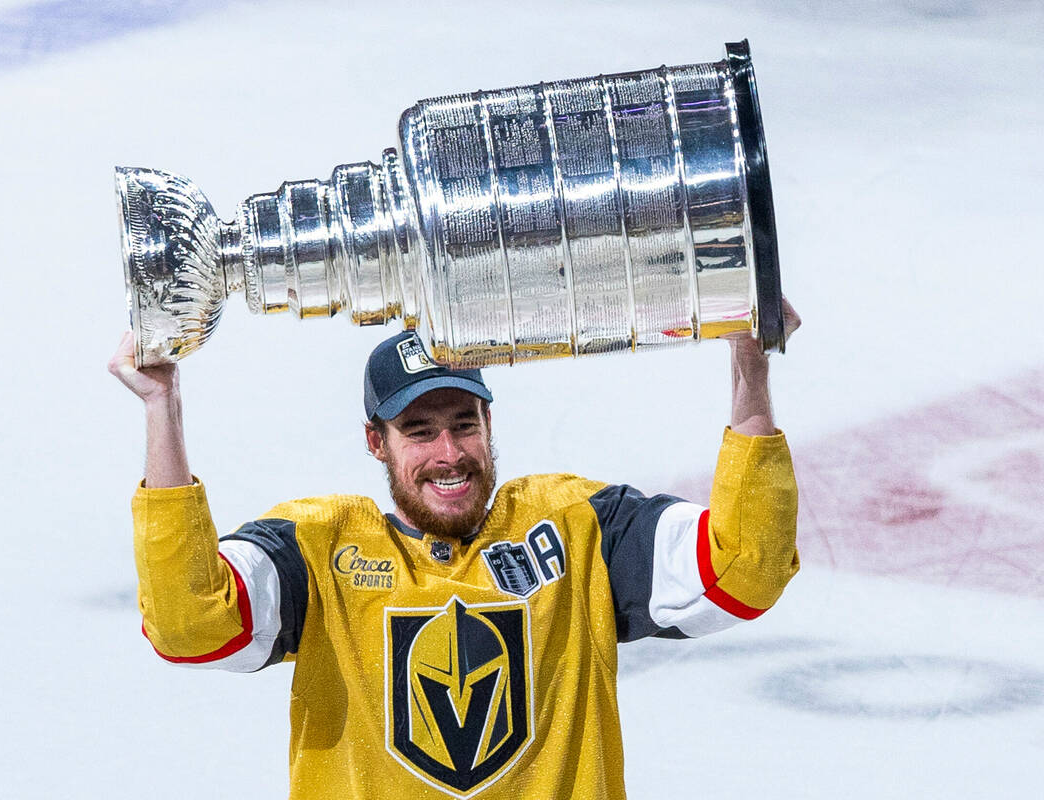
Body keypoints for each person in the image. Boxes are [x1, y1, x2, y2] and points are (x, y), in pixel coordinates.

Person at [108, 304, 801, 800]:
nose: (449, 455)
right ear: (376, 442)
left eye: (463, 424)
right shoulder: (320, 549)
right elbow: (191, 622)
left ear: (488, 421)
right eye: (419, 431)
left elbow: (744, 568)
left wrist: (750, 365)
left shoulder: (576, 527)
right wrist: (160, 407)